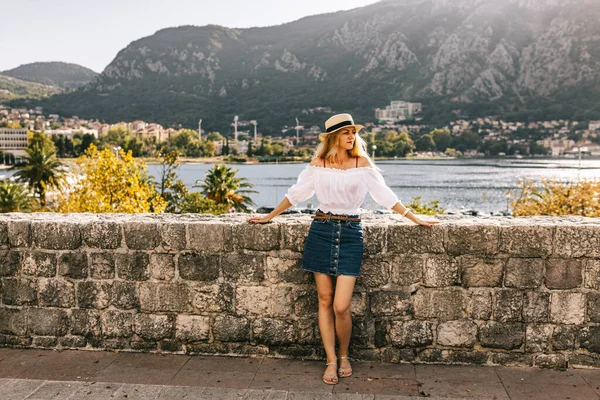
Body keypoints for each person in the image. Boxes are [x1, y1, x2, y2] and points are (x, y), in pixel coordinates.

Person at [247, 113, 440, 385]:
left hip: (351, 233)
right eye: (346, 132)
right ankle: (331, 359)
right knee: (324, 300)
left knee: (341, 306)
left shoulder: (363, 163)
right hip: (321, 230)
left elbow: (385, 196)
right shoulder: (319, 164)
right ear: (333, 137)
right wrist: (270, 216)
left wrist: (414, 217)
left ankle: (345, 354)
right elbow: (297, 193)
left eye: (353, 132)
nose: (352, 136)